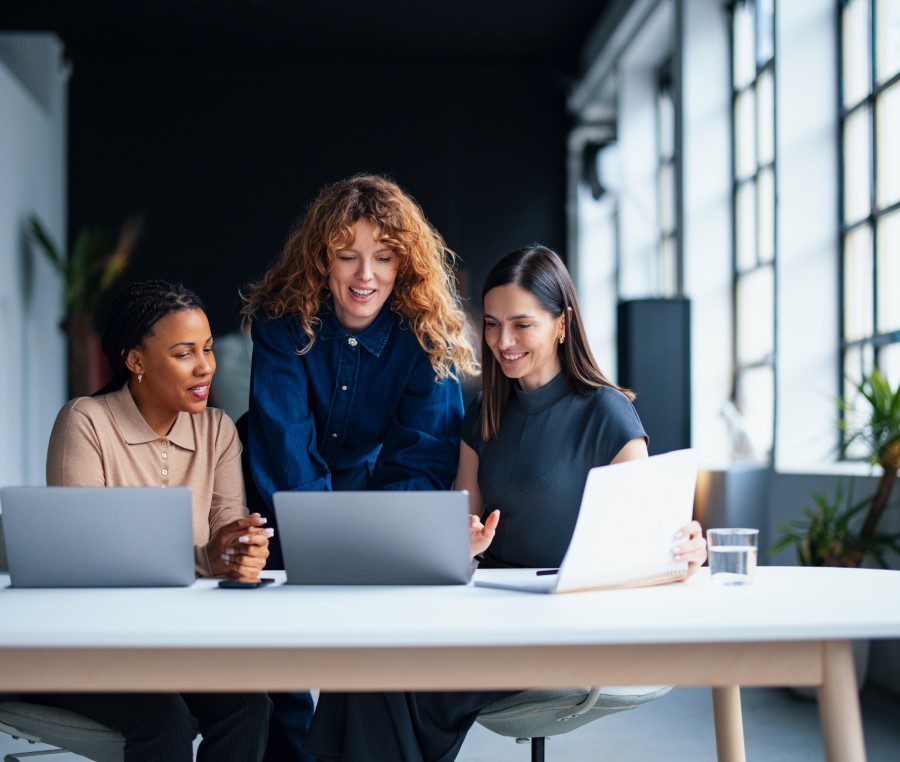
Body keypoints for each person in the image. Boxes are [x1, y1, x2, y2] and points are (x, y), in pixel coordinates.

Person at [302, 245, 708, 761]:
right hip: (486, 609)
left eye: (522, 325)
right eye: (492, 325)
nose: (503, 342)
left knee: (400, 677)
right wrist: (464, 545)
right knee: (368, 653)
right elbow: (460, 535)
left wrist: (682, 550)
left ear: (561, 324)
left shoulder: (607, 415)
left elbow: (641, 547)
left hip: (562, 624)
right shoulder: (485, 412)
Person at [242, 174, 478, 761]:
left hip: (374, 490)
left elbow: (422, 456)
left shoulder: (428, 335)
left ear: (405, 264)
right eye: (347, 257)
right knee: (282, 670)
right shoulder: (282, 321)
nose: (364, 276)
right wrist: (322, 545)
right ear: (321, 260)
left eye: (383, 257)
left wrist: (380, 547)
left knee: (372, 642)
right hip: (274, 489)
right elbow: (286, 446)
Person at [31, 280, 273, 762]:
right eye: (184, 353)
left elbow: (228, 529)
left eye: (207, 348)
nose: (206, 365)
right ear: (135, 361)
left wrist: (243, 551)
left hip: (172, 642)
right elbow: (84, 557)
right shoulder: (86, 422)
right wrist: (207, 558)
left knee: (250, 706)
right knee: (165, 722)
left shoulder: (218, 430)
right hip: (82, 644)